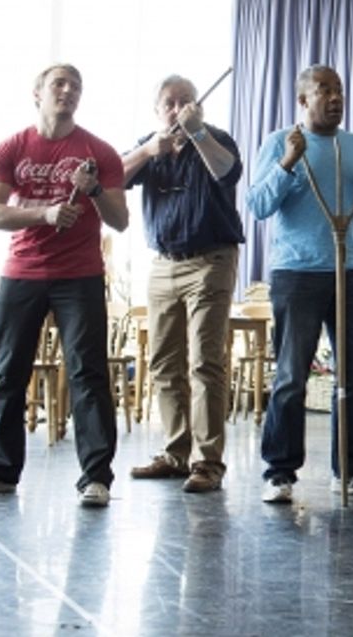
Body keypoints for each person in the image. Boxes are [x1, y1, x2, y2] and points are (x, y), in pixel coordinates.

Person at [0, 63, 129, 507]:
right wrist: (45, 214)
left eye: (76, 86)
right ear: (38, 93)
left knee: (88, 374)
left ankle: (96, 478)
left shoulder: (99, 152)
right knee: (8, 372)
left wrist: (93, 190)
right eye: (59, 83)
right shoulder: (11, 148)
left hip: (81, 275)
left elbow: (120, 220)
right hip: (22, 272)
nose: (68, 91)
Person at [246, 65, 353, 503]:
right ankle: (279, 473)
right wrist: (287, 163)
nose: (335, 97)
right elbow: (258, 205)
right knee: (292, 376)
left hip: (352, 272)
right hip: (297, 273)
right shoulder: (280, 142)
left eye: (339, 90)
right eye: (324, 90)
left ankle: (351, 470)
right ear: (303, 100)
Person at [123, 75, 244, 493]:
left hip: (211, 260)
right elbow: (112, 177)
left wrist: (197, 133)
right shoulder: (150, 145)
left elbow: (228, 173)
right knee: (163, 362)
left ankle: (207, 462)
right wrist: (147, 150)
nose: (177, 110)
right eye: (169, 103)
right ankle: (176, 454)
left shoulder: (216, 138)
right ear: (157, 110)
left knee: (204, 362)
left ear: (199, 107)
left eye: (186, 102)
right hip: (163, 264)